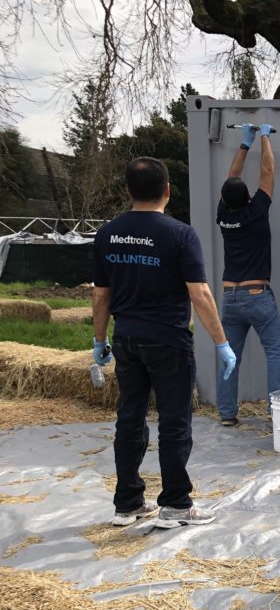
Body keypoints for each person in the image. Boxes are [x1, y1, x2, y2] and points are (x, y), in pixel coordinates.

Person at [92, 157, 237, 529]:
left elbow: (100, 296)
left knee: (130, 417)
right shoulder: (180, 234)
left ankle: (127, 504)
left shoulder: (108, 233)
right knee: (174, 421)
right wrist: (221, 342)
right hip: (168, 341)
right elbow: (200, 294)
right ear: (168, 191)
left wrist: (98, 340)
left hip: (126, 339)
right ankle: (175, 503)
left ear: (128, 190)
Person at [215, 122, 280, 426]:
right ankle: (278, 415)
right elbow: (268, 173)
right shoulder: (255, 211)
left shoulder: (223, 213)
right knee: (275, 353)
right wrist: (265, 139)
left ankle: (228, 415)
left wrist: (244, 144)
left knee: (231, 357)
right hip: (257, 295)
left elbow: (232, 177)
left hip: (230, 297)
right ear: (247, 198)